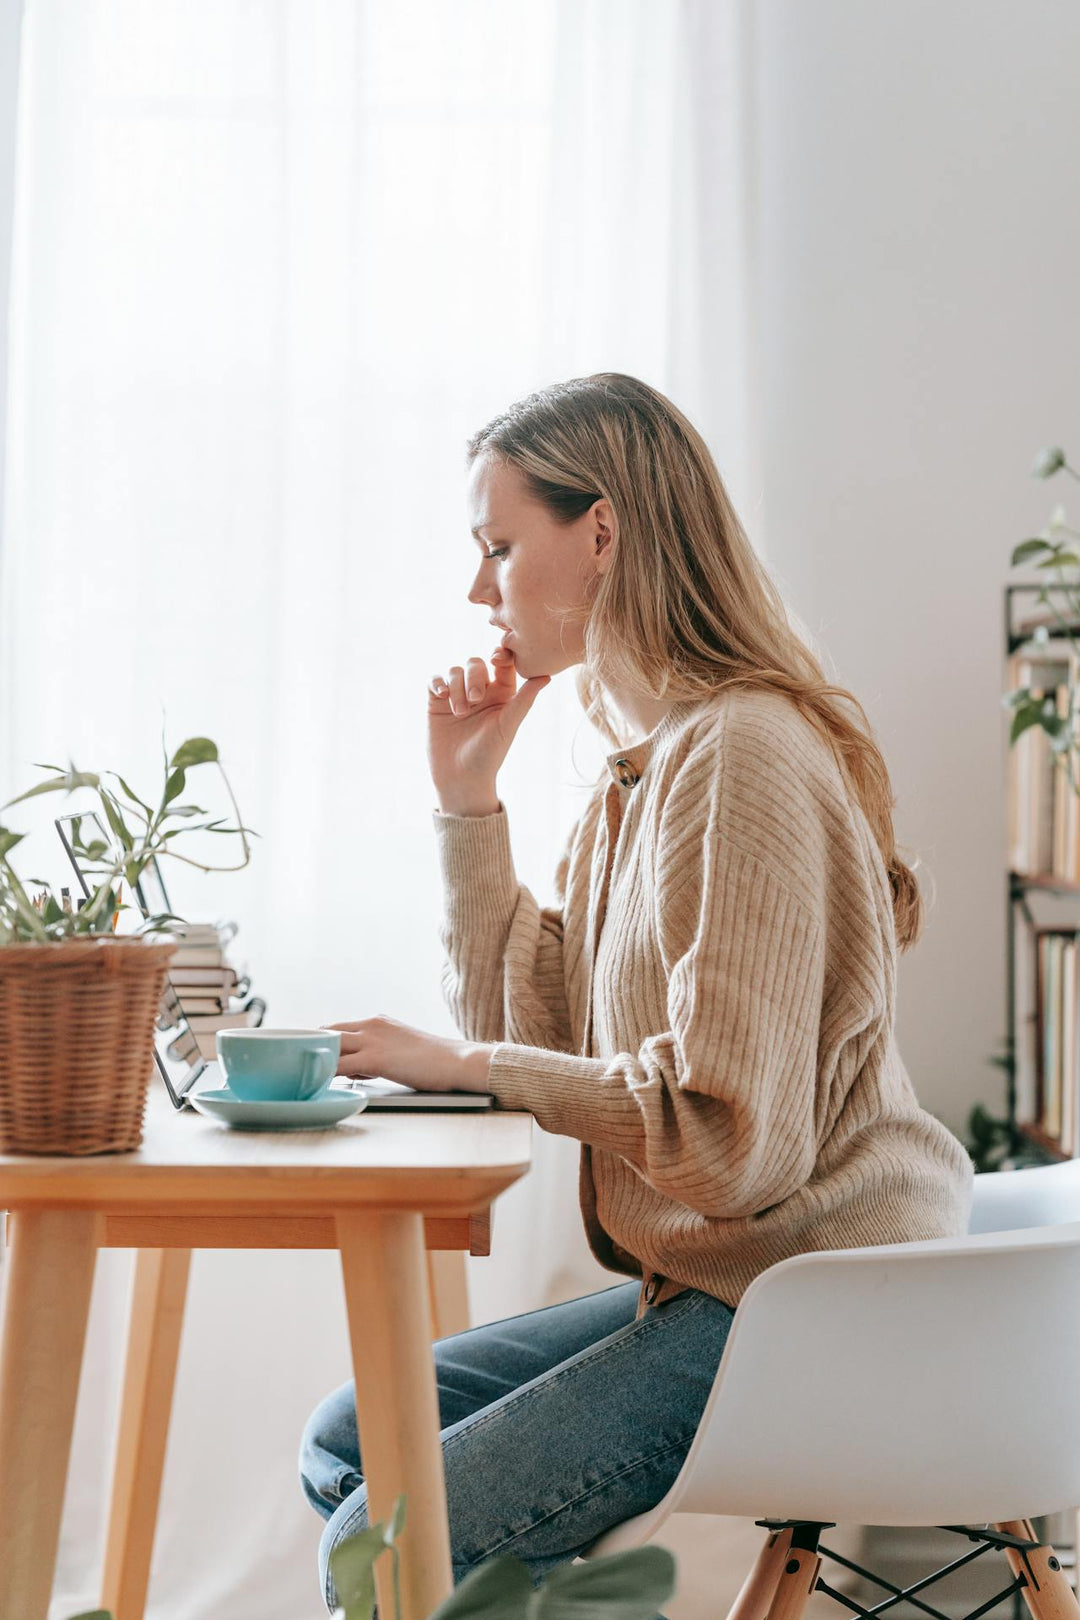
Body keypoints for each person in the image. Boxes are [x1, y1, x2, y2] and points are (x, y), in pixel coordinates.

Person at [298, 371, 975, 1614]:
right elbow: (533, 1029)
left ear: (600, 532)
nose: (477, 587)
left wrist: (461, 1065)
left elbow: (725, 1141)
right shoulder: (645, 772)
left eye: (500, 546)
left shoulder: (741, 753)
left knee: (387, 1536)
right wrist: (468, 805)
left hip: (818, 1301)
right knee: (353, 1443)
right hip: (732, 1286)